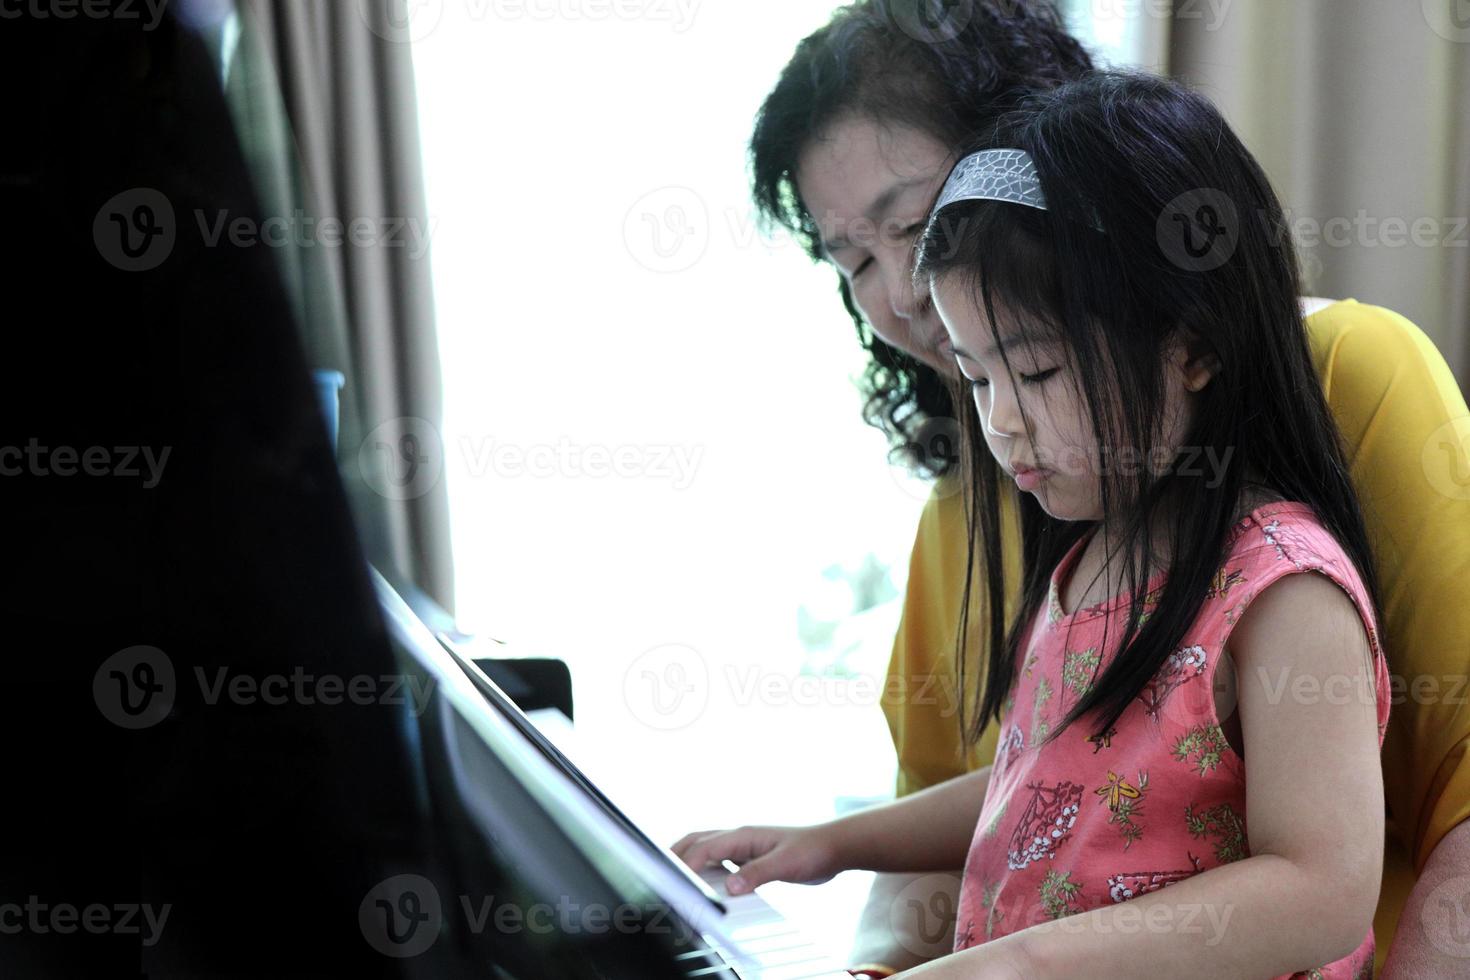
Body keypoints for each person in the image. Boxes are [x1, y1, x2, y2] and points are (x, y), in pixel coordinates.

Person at [703, 3, 1470, 975]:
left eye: (912, 222)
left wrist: (1016, 963)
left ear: (1186, 339)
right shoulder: (1084, 547)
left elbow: (1322, 883)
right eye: (853, 256)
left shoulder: (1281, 591)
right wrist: (831, 842)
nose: (897, 293)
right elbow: (1032, 780)